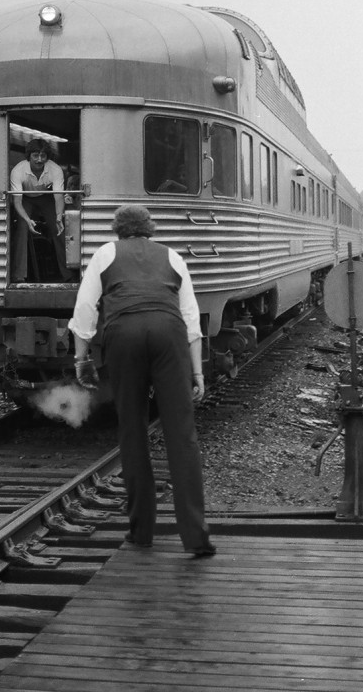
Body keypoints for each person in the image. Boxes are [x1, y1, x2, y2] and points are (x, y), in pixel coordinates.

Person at [68, 204, 216, 558]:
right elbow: (191, 319)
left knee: (132, 431)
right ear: (150, 229)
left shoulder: (105, 254)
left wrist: (81, 358)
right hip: (169, 335)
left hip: (125, 336)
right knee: (182, 435)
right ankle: (196, 537)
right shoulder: (172, 257)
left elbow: (85, 310)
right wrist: (196, 373)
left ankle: (142, 532)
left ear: (117, 229)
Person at [9, 138, 74, 282]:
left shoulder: (55, 169)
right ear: (28, 156)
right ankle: (19, 276)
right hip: (25, 198)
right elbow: (17, 201)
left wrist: (58, 216)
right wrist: (27, 219)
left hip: (47, 197)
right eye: (35, 156)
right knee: (21, 228)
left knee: (60, 229)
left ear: (47, 157)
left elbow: (58, 197)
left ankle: (69, 275)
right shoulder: (18, 171)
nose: (39, 159)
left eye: (43, 156)